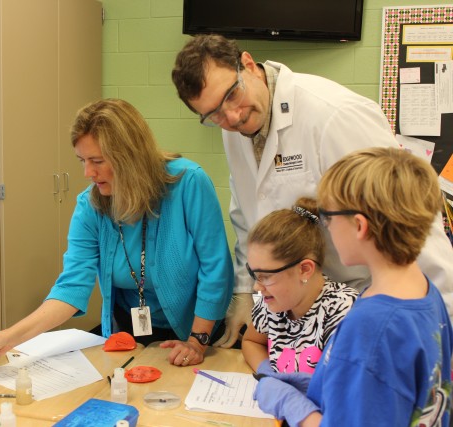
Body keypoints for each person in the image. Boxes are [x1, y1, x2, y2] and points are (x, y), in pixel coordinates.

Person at [171, 34, 453, 348]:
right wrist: (245, 292)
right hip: (300, 314)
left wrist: (443, 327)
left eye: (232, 95)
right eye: (214, 116)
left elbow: (411, 222)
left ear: (248, 65)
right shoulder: (235, 129)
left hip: (367, 305)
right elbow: (246, 219)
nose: (232, 116)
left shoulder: (332, 115)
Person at [0, 98, 233, 367]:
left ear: (130, 155)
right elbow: (71, 287)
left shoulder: (189, 183)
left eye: (97, 161)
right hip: (131, 336)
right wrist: (8, 338)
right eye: (82, 160)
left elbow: (216, 268)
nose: (87, 172)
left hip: (200, 329)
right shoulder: (90, 206)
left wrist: (197, 341)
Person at [254, 147, 453, 426]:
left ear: (360, 226)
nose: (327, 228)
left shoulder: (371, 326)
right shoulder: (424, 291)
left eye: (329, 218)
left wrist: (292, 406)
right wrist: (322, 384)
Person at [242, 197, 358, 374]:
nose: (257, 287)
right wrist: (268, 374)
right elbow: (251, 341)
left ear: (304, 269)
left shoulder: (343, 313)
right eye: (254, 275)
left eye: (265, 276)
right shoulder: (273, 303)